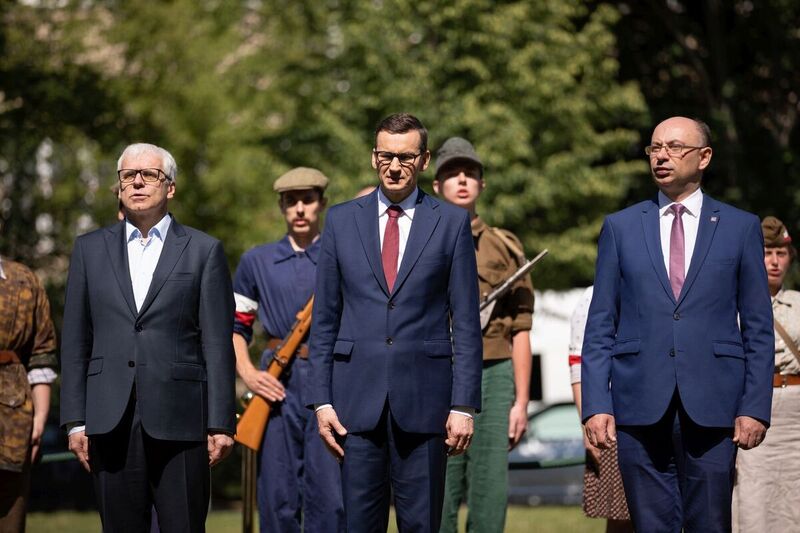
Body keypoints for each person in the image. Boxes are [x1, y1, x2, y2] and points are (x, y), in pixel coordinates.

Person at [581, 116, 774, 532]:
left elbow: (758, 327)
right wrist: (596, 404)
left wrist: (754, 407)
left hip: (715, 406)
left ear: (704, 157)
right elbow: (600, 324)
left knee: (710, 522)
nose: (661, 156)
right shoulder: (620, 227)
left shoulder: (741, 228)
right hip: (638, 405)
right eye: (654, 148)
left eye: (674, 147)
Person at [306, 113, 483, 532]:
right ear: (373, 158)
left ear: (423, 161)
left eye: (405, 157)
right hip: (355, 404)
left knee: (422, 525)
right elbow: (325, 318)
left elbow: (467, 322)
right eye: (386, 155)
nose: (395, 165)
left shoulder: (451, 222)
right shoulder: (341, 220)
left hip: (427, 405)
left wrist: (463, 405)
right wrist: (322, 401)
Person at [60, 143, 236, 532]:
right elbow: (74, 341)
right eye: (128, 176)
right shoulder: (88, 250)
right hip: (109, 419)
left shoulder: (204, 251)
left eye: (149, 175)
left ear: (169, 187)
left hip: (182, 419)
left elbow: (217, 345)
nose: (137, 182)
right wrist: (74, 420)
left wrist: (221, 421)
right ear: (119, 187)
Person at [232, 167, 344, 532]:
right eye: (291, 201)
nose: (299, 209)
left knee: (330, 498)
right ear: (281, 206)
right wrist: (249, 374)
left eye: (308, 200)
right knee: (276, 495)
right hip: (275, 384)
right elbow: (235, 327)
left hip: (330, 381)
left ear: (322, 204)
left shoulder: (341, 256)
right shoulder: (256, 261)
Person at [431, 137, 533, 533]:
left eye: (470, 173)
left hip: (493, 371)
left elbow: (521, 328)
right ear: (436, 185)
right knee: (437, 484)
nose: (461, 180)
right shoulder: (419, 242)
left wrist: (521, 401)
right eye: (451, 174)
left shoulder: (504, 246)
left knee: (490, 488)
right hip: (437, 370)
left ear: (482, 184)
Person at [733, 216, 800, 532]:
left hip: (795, 415)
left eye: (781, 253)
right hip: (754, 406)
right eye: (766, 252)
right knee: (753, 499)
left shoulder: (798, 305)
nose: (774, 262)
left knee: (793, 500)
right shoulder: (732, 303)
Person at [568, 286, 632, 533]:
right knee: (620, 513)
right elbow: (577, 360)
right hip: (611, 418)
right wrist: (588, 421)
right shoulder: (593, 295)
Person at [0, 257, 57, 532]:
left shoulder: (23, 280)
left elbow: (41, 352)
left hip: (12, 420)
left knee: (10, 519)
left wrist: (40, 416)